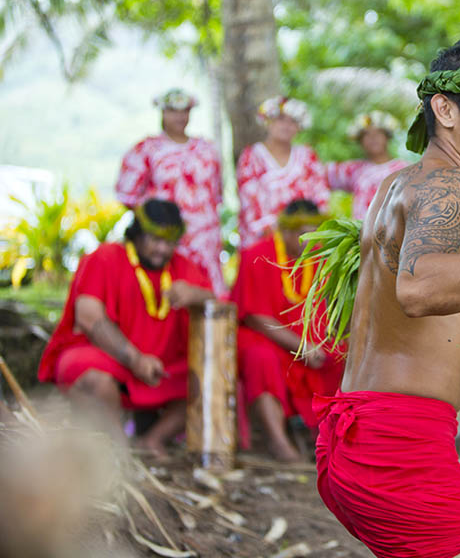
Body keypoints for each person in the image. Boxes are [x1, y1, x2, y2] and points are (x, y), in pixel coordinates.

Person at [313, 39, 460, 558]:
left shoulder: (400, 183)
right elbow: (420, 287)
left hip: (358, 437)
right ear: (444, 109)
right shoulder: (451, 188)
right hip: (398, 450)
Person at [38, 199, 214, 458]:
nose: (162, 249)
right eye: (155, 239)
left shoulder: (181, 267)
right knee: (90, 374)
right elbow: (88, 318)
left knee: (206, 379)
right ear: (137, 233)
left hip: (160, 368)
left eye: (169, 242)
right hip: (114, 361)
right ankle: (117, 449)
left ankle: (153, 440)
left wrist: (194, 295)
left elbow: (217, 302)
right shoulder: (104, 257)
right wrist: (135, 359)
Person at [231, 199, 345, 462]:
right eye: (306, 233)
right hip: (265, 338)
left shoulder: (317, 259)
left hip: (306, 342)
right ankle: (278, 442)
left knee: (340, 354)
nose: (311, 241)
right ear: (288, 231)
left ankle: (325, 439)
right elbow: (255, 318)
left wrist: (319, 342)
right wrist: (300, 345)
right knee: (261, 359)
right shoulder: (257, 254)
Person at [115, 89, 227, 297]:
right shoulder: (146, 150)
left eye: (185, 111)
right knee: (168, 295)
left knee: (207, 296)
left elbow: (216, 194)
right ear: (163, 113)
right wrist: (158, 224)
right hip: (166, 242)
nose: (180, 116)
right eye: (173, 111)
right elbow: (127, 196)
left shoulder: (207, 149)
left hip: (205, 242)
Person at [237, 96, 331, 248]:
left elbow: (321, 196)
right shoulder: (252, 156)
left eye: (293, 121)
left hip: (303, 241)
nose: (286, 126)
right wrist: (275, 235)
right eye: (281, 119)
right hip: (263, 242)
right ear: (268, 121)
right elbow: (249, 203)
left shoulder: (308, 156)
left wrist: (312, 231)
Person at [326, 111, 408, 220]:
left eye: (378, 133)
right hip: (361, 233)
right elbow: (317, 175)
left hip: (395, 234)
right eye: (366, 134)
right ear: (360, 142)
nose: (373, 138)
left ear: (387, 137)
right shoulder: (354, 170)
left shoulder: (404, 169)